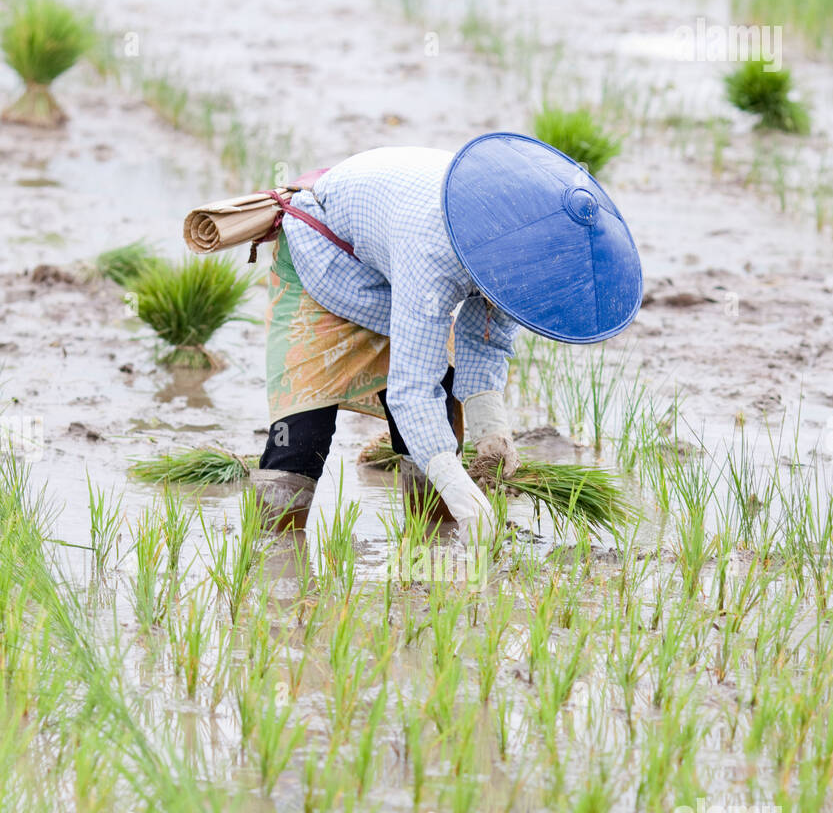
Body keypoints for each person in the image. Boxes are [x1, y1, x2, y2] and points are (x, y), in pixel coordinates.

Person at [254, 132, 642, 543]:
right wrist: (465, 497)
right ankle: (271, 562)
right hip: (326, 256)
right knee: (303, 430)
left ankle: (430, 554)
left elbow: (487, 336)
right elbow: (411, 390)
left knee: (442, 412)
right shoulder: (436, 251)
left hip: (391, 253)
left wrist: (492, 433)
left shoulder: (520, 247)